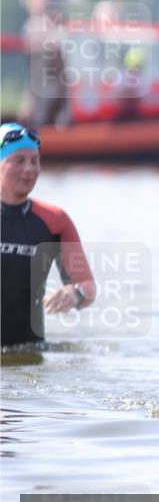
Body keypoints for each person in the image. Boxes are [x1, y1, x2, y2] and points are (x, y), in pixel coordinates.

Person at [1, 123, 96, 347]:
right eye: (19, 160)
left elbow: (87, 286)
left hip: (28, 354)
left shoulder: (54, 221)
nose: (29, 169)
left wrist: (75, 293)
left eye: (35, 161)